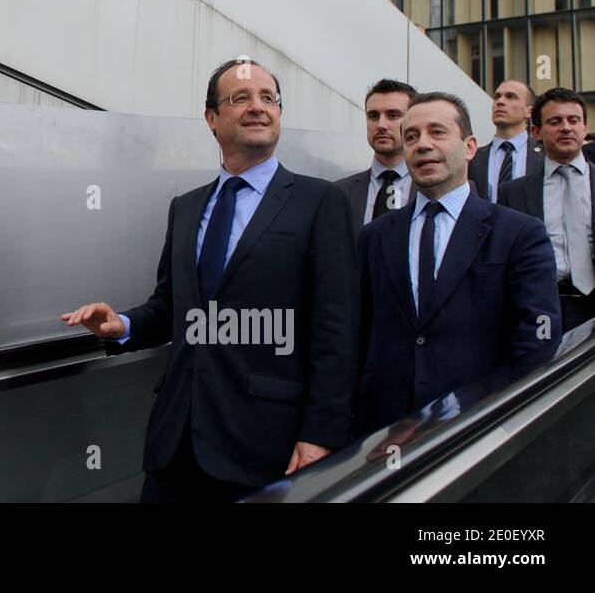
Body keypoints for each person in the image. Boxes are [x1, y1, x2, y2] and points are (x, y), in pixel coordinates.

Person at [62, 58, 359, 502]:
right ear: (211, 119)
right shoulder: (185, 208)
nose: (258, 107)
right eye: (240, 98)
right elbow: (171, 307)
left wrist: (321, 432)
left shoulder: (320, 202)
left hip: (266, 446)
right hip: (175, 444)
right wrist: (121, 325)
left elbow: (336, 330)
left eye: (268, 98)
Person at [356, 92, 561, 434]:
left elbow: (538, 340)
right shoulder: (375, 236)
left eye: (436, 132)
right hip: (383, 434)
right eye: (411, 137)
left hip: (478, 428)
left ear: (469, 147)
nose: (422, 145)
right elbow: (359, 332)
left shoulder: (520, 233)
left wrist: (479, 407)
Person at [499, 87, 595, 333]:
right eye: (555, 121)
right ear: (537, 132)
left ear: (584, 128)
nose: (566, 127)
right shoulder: (513, 193)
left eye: (573, 120)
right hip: (539, 308)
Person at [335, 78, 416, 236]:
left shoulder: (437, 189)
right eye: (373, 116)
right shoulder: (339, 192)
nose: (381, 125)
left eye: (393, 115)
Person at [468, 80, 543, 202]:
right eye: (497, 97)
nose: (500, 102)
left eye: (510, 97)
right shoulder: (472, 158)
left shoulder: (545, 155)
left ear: (529, 111)